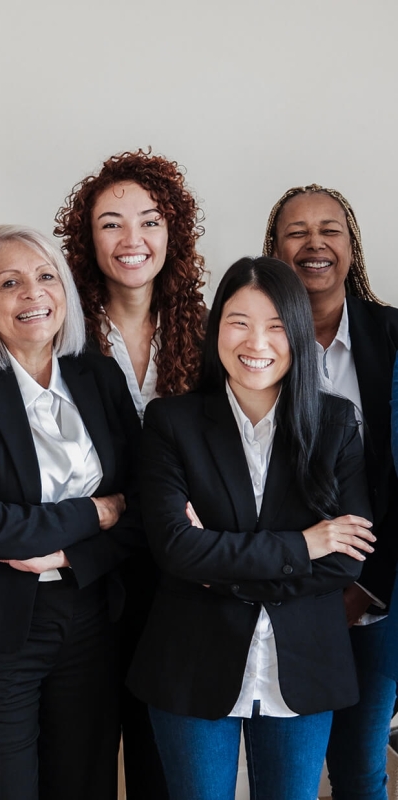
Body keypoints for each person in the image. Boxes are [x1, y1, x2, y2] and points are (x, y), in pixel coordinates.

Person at [129, 256, 375, 800]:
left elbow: (345, 562)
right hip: (191, 663)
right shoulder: (171, 422)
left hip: (305, 664)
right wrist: (304, 544)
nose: (256, 341)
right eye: (239, 321)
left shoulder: (336, 425)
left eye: (276, 325)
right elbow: (174, 549)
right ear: (217, 327)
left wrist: (216, 562)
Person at [0, 224, 143, 800]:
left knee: (83, 783)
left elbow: (143, 507)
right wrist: (98, 513)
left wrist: (67, 549)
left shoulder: (100, 375)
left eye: (46, 277)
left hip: (91, 616)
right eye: (9, 282)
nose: (32, 294)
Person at [54, 148, 207, 797]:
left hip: (182, 579)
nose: (131, 239)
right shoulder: (60, 330)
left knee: (163, 763)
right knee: (80, 759)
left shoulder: (208, 332)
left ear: (172, 233)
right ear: (88, 239)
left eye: (148, 220)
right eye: (111, 222)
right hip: (86, 573)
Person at [264, 184, 398, 800]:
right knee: (285, 774)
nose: (314, 244)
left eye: (330, 230)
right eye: (297, 232)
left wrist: (368, 585)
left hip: (378, 597)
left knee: (360, 764)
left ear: (351, 246)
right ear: (274, 249)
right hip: (282, 593)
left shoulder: (394, 337)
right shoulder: (250, 342)